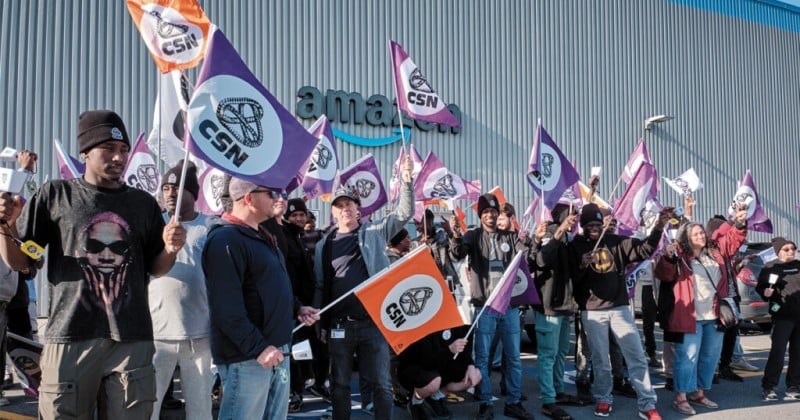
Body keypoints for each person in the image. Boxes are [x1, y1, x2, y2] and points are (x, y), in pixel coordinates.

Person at [0, 109, 186, 419]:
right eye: (109, 149)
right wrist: (5, 228)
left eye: (124, 150)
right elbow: (22, 262)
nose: (118, 157)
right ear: (85, 152)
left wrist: (170, 249)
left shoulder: (142, 204)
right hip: (70, 337)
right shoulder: (55, 195)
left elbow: (156, 268)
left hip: (131, 339)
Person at [203, 177, 319, 419]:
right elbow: (226, 309)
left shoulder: (263, 235)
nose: (277, 199)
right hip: (248, 357)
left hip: (275, 349)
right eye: (270, 193)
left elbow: (271, 284)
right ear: (248, 198)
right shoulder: (225, 240)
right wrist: (259, 348)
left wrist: (296, 307)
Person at [314, 155, 415, 420]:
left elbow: (404, 213)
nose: (345, 208)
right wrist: (321, 324)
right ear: (333, 212)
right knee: (340, 385)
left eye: (350, 204)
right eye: (340, 205)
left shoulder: (375, 231)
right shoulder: (324, 245)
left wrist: (406, 180)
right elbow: (320, 286)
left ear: (359, 209)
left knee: (381, 383)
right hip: (339, 325)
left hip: (374, 322)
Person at [569, 203, 668, 420]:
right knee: (600, 359)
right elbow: (572, 280)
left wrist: (659, 226)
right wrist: (582, 265)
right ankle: (604, 398)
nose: (595, 227)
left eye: (598, 223)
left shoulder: (614, 241)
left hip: (619, 307)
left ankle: (647, 403)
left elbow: (645, 249)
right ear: (583, 225)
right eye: (590, 224)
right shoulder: (575, 245)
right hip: (592, 311)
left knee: (636, 355)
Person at [449, 193, 535, 420]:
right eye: (485, 212)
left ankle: (514, 402)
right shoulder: (473, 236)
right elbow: (457, 254)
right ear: (480, 215)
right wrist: (456, 234)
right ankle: (485, 403)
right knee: (482, 358)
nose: (490, 215)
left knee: (514, 357)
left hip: (509, 307)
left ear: (498, 214)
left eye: (493, 211)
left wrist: (529, 240)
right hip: (484, 307)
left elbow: (525, 254)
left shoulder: (510, 235)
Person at [654, 208, 747, 416]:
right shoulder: (678, 255)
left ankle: (699, 392)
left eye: (702, 232)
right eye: (696, 234)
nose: (701, 236)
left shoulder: (714, 251)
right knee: (687, 358)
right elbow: (663, 274)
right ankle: (681, 397)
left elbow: (733, 239)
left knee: (709, 357)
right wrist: (668, 258)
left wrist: (739, 223)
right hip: (689, 317)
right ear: (686, 237)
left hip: (714, 315)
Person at [148, 161, 213, 420]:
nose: (170, 193)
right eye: (166, 187)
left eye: (178, 188)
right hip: (157, 333)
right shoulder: (153, 224)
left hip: (199, 335)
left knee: (200, 410)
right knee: (147, 407)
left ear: (193, 194)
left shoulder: (210, 226)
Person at [529, 203, 581, 420]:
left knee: (561, 354)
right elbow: (541, 260)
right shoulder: (549, 232)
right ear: (561, 216)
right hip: (548, 305)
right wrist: (559, 231)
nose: (574, 221)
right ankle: (548, 401)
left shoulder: (569, 237)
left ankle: (558, 392)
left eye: (575, 217)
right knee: (548, 355)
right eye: (571, 216)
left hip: (565, 306)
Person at [283, 197, 330, 411]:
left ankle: (320, 384)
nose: (299, 219)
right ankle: (295, 392)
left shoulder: (308, 237)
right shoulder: (283, 237)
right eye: (294, 215)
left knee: (320, 347)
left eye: (301, 215)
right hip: (293, 306)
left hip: (311, 304)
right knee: (297, 352)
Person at [398, 325, 481, 419]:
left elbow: (466, 348)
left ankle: (436, 397)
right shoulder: (427, 322)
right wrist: (449, 350)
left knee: (476, 375)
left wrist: (470, 365)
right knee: (434, 382)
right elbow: (426, 361)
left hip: (443, 366)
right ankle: (416, 403)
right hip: (417, 368)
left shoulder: (458, 319)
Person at [756, 236, 800, 401]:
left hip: (799, 316)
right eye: (786, 249)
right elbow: (762, 288)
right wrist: (765, 293)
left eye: (793, 249)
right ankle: (769, 386)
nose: (791, 252)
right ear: (778, 252)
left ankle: (794, 385)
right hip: (782, 316)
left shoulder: (798, 265)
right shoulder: (770, 268)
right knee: (778, 352)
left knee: (797, 353)